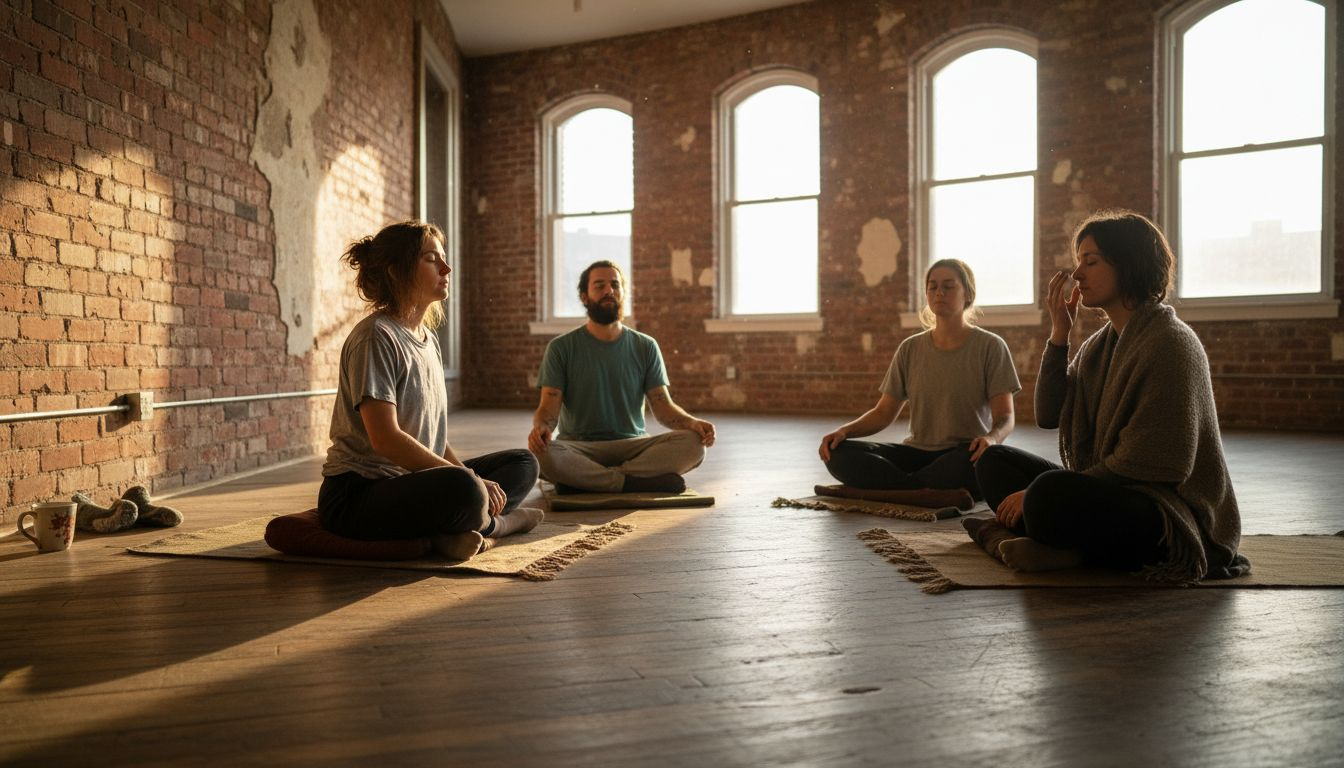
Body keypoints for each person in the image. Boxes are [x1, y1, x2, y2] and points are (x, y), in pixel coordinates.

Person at [967, 210, 1249, 581]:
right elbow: (1048, 415)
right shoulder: (1099, 346)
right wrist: (1059, 336)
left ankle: (1067, 547)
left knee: (1047, 492)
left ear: (1129, 264)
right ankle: (1065, 544)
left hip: (1168, 515)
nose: (1078, 274)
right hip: (1115, 494)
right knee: (994, 461)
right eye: (1078, 261)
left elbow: (1157, 463)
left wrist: (1038, 492)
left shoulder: (1171, 344)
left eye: (1091, 261)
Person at [318, 221, 543, 560]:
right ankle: (500, 526)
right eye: (430, 259)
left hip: (414, 483)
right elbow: (386, 439)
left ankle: (452, 531)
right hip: (357, 495)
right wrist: (468, 479)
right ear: (396, 271)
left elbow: (431, 435)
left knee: (523, 462)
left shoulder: (428, 340)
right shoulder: (376, 337)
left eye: (443, 258)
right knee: (466, 489)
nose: (446, 268)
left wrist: (468, 475)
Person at [817, 258, 1020, 508]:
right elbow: (883, 412)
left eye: (948, 286)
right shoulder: (910, 348)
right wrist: (844, 431)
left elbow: (1005, 417)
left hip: (962, 453)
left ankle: (896, 490)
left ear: (968, 293)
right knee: (838, 454)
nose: (939, 293)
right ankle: (925, 491)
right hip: (916, 454)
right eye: (932, 287)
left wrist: (991, 439)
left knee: (979, 464)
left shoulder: (991, 347)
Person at [528, 260, 715, 494]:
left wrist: (692, 423)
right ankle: (634, 482)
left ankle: (591, 481)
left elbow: (663, 407)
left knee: (694, 445)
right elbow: (548, 407)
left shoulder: (646, 346)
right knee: (541, 454)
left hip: (634, 446)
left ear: (623, 293)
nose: (609, 291)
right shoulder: (561, 348)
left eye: (615, 285)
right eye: (599, 286)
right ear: (584, 297)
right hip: (579, 447)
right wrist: (541, 429)